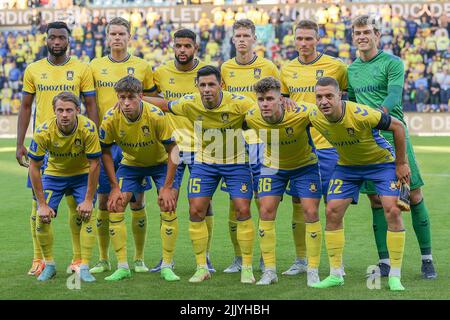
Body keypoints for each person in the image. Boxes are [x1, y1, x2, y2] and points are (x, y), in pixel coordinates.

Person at [147, 66, 257, 284]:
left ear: (221, 85)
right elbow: (165, 105)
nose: (207, 89)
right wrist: (135, 97)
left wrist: (286, 103)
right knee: (196, 209)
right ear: (197, 86)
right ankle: (202, 267)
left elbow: (264, 110)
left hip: (236, 162)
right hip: (205, 162)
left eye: (211, 84)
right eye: (203, 85)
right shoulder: (190, 103)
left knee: (243, 209)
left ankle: (247, 267)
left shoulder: (240, 103)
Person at [348, 15, 437, 279]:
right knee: (376, 201)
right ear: (353, 36)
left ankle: (427, 259)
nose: (362, 36)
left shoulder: (392, 62)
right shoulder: (350, 70)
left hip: (394, 135)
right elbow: (351, 105)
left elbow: (393, 95)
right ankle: (384, 261)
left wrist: (379, 117)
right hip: (368, 142)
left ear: (377, 35)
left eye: (366, 32)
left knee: (414, 196)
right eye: (357, 33)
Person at [309, 77, 410, 291]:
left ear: (340, 96)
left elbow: (398, 127)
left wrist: (401, 163)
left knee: (392, 210)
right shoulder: (313, 115)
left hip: (381, 164)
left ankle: (395, 276)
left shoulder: (361, 113)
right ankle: (336, 274)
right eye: (319, 97)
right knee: (332, 211)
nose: (324, 101)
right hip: (347, 167)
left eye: (329, 96)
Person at [16, 21, 98, 277]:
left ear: (68, 40)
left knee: (78, 206)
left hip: (75, 140)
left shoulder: (82, 69)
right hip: (44, 140)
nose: (57, 42)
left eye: (61, 38)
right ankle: (39, 258)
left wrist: (91, 136)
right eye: (53, 37)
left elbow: (91, 105)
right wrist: (20, 142)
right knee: (37, 207)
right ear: (46, 40)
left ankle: (78, 261)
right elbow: (26, 107)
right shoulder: (33, 69)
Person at [89, 17, 157, 275]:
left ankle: (139, 259)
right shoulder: (95, 66)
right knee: (104, 201)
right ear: (107, 37)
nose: (117, 38)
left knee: (137, 201)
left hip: (135, 142)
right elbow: (90, 103)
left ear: (129, 36)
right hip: (106, 141)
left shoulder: (142, 66)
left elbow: (154, 98)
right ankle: (103, 259)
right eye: (112, 34)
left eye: (121, 33)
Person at [280, 19, 347, 276]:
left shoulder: (337, 67)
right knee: (299, 203)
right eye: (300, 38)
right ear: (294, 40)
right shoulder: (286, 70)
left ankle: (335, 264)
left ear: (317, 39)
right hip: (299, 149)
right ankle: (301, 260)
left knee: (334, 206)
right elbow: (285, 106)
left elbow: (346, 105)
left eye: (309, 38)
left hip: (329, 146)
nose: (304, 43)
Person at [99, 76, 178, 281]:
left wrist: (167, 186)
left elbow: (174, 151)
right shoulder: (110, 118)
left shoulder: (156, 116)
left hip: (160, 164)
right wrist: (114, 186)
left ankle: (167, 265)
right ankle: (123, 266)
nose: (126, 103)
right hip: (131, 165)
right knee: (115, 205)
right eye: (122, 97)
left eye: (131, 97)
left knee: (167, 204)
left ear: (141, 96)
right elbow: (105, 152)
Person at [149, 28, 215, 274]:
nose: (183, 50)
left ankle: (205, 257)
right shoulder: (161, 73)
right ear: (173, 47)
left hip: (203, 147)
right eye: (179, 46)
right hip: (173, 148)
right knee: (167, 202)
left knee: (202, 205)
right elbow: (156, 104)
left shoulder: (208, 73)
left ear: (195, 47)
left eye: (188, 46)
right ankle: (167, 260)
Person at [245, 77, 323, 286]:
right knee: (265, 211)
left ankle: (312, 270)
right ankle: (269, 271)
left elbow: (330, 117)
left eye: (270, 98)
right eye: (261, 99)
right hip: (273, 166)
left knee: (311, 212)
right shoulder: (251, 116)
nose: (265, 103)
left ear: (281, 98)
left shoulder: (302, 112)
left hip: (304, 165)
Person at [220, 19, 280, 273]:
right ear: (233, 39)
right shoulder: (225, 68)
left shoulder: (268, 66)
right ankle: (239, 257)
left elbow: (279, 101)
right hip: (233, 140)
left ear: (255, 38)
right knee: (236, 201)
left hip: (264, 140)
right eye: (238, 35)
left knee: (263, 201)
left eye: (246, 35)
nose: (242, 39)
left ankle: (266, 259)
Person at [27, 92, 101, 282]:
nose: (65, 114)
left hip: (82, 175)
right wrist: (42, 204)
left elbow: (95, 164)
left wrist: (87, 200)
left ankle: (84, 266)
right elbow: (34, 167)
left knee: (87, 215)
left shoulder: (88, 128)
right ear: (54, 111)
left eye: (69, 110)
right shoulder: (43, 130)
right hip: (54, 175)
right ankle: (49, 264)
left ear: (78, 110)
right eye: (60, 110)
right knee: (41, 218)